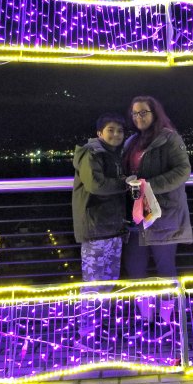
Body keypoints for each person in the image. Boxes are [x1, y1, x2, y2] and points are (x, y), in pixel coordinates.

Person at [122, 96, 193, 330]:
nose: (139, 117)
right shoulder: (132, 141)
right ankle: (145, 318)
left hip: (163, 215)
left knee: (165, 268)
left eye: (144, 112)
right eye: (135, 114)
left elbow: (183, 170)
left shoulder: (169, 137)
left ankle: (166, 319)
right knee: (135, 268)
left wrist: (150, 184)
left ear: (155, 113)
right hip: (136, 216)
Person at [71, 113, 128, 349]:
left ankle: (99, 330)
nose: (116, 135)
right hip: (95, 229)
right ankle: (85, 336)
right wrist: (126, 183)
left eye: (120, 131)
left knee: (108, 283)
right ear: (99, 133)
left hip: (112, 228)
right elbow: (96, 185)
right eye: (110, 130)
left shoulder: (113, 155)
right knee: (93, 284)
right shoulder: (91, 152)